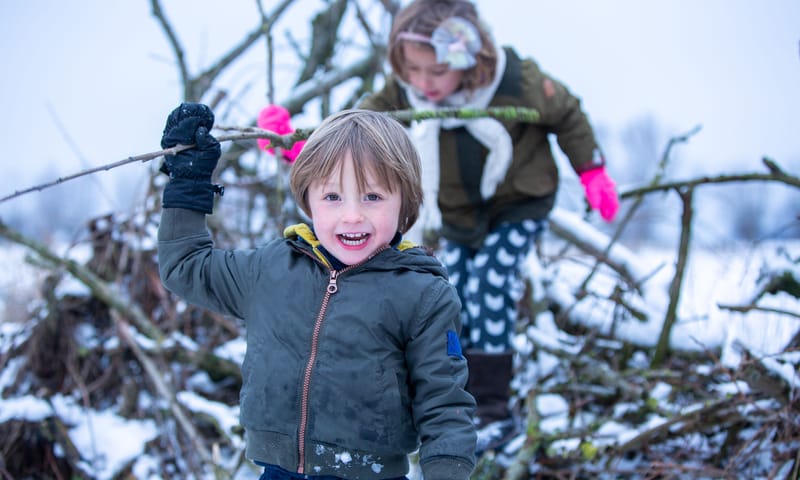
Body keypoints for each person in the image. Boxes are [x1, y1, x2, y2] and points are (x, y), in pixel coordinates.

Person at [157, 103, 477, 479]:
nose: (353, 215)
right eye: (333, 197)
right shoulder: (271, 269)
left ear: (405, 200)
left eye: (373, 197)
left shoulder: (421, 295)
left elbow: (445, 404)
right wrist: (187, 184)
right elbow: (185, 266)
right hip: (278, 472)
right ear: (307, 198)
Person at [358, 0, 620, 452]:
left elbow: (569, 113)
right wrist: (297, 146)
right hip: (461, 212)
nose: (423, 83)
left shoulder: (516, 82)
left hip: (520, 201)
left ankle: (495, 410)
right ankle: (456, 399)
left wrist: (591, 170)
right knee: (452, 294)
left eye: (436, 72)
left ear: (467, 57)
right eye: (413, 70)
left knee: (491, 285)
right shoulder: (408, 93)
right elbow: (356, 126)